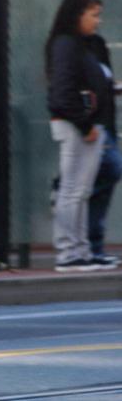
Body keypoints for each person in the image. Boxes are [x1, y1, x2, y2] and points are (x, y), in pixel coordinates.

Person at [46, 0, 117, 272]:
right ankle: (68, 252)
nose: (97, 21)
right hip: (78, 127)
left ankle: (80, 250)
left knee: (80, 191)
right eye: (94, 15)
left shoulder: (78, 44)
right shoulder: (66, 45)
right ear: (77, 15)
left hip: (86, 126)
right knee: (73, 191)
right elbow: (61, 94)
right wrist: (85, 124)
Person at [85, 34, 122, 264]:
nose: (96, 20)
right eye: (93, 15)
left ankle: (94, 246)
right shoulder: (72, 48)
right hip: (92, 126)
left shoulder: (97, 45)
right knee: (111, 167)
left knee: (106, 175)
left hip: (104, 124)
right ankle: (90, 245)